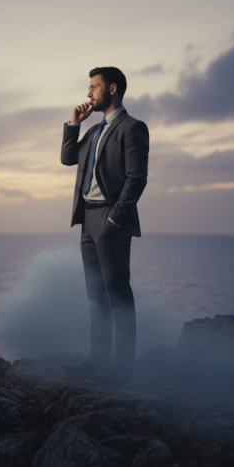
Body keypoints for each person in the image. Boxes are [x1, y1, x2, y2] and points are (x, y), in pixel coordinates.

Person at [60, 66, 149, 384]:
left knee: (118, 293)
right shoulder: (93, 131)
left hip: (111, 219)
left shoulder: (133, 127)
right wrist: (74, 124)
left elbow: (136, 178)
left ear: (112, 89)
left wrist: (116, 216)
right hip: (87, 219)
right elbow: (68, 159)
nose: (88, 93)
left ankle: (123, 366)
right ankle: (97, 356)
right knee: (96, 293)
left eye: (93, 87)